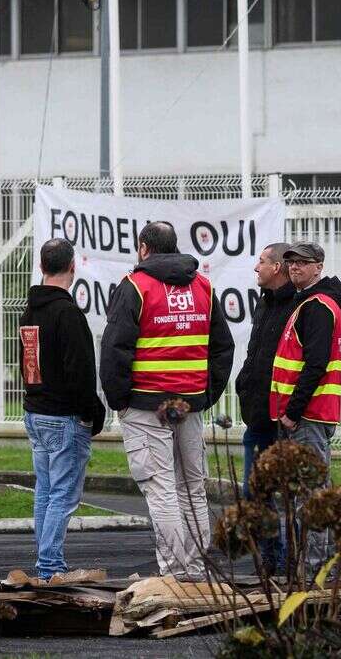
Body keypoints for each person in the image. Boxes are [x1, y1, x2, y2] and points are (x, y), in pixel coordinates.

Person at [99, 221, 235, 579]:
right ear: (174, 247)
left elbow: (115, 349)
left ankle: (174, 572)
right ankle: (196, 568)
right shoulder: (203, 286)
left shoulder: (135, 287)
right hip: (188, 405)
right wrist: (205, 395)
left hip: (145, 405)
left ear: (144, 248)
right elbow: (222, 347)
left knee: (161, 489)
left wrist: (119, 401)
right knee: (192, 487)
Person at [19, 237, 107, 580]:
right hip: (64, 416)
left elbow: (28, 364)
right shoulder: (67, 313)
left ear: (42, 267)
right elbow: (81, 371)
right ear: (73, 267)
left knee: (45, 491)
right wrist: (91, 413)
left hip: (36, 411)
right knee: (63, 496)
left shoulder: (30, 311)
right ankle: (50, 564)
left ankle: (45, 563)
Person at [269, 242, 341, 578]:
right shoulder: (307, 303)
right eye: (291, 263)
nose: (296, 268)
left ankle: (319, 573)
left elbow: (315, 364)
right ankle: (313, 569)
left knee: (312, 496)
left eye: (303, 263)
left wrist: (292, 411)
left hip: (308, 417)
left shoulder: (317, 306)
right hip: (305, 416)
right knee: (306, 495)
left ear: (318, 267)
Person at [232, 241, 301, 572]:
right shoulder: (264, 304)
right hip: (258, 414)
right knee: (254, 490)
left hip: (286, 418)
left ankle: (295, 561)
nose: (256, 267)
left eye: (261, 261)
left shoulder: (298, 305)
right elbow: (256, 350)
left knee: (292, 494)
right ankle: (272, 558)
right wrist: (244, 381)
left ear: (277, 268)